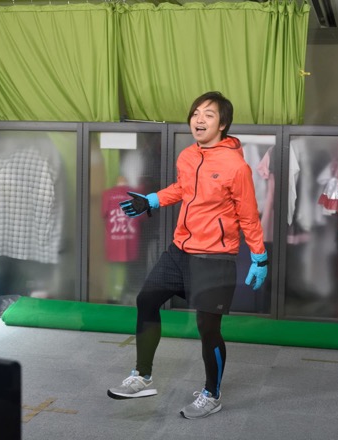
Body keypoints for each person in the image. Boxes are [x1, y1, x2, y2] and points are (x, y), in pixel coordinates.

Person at [107, 91, 268, 419]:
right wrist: (153, 200)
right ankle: (142, 376)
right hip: (179, 250)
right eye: (195, 113)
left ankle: (212, 394)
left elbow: (249, 214)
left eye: (208, 114)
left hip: (215, 257)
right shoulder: (188, 156)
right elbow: (184, 188)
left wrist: (259, 256)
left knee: (208, 328)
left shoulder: (236, 167)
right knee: (146, 300)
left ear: (222, 124)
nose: (199, 119)